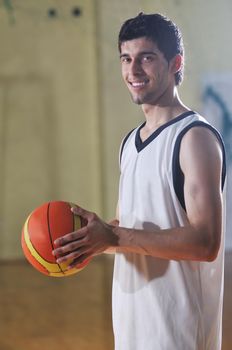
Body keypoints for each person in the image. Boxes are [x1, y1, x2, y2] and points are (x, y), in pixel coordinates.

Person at [53, 13, 226, 350]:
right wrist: (93, 238)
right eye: (126, 59)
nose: (133, 71)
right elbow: (130, 230)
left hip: (179, 335)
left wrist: (114, 234)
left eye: (146, 58)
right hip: (132, 327)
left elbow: (206, 243)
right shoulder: (129, 143)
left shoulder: (195, 138)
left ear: (175, 63)